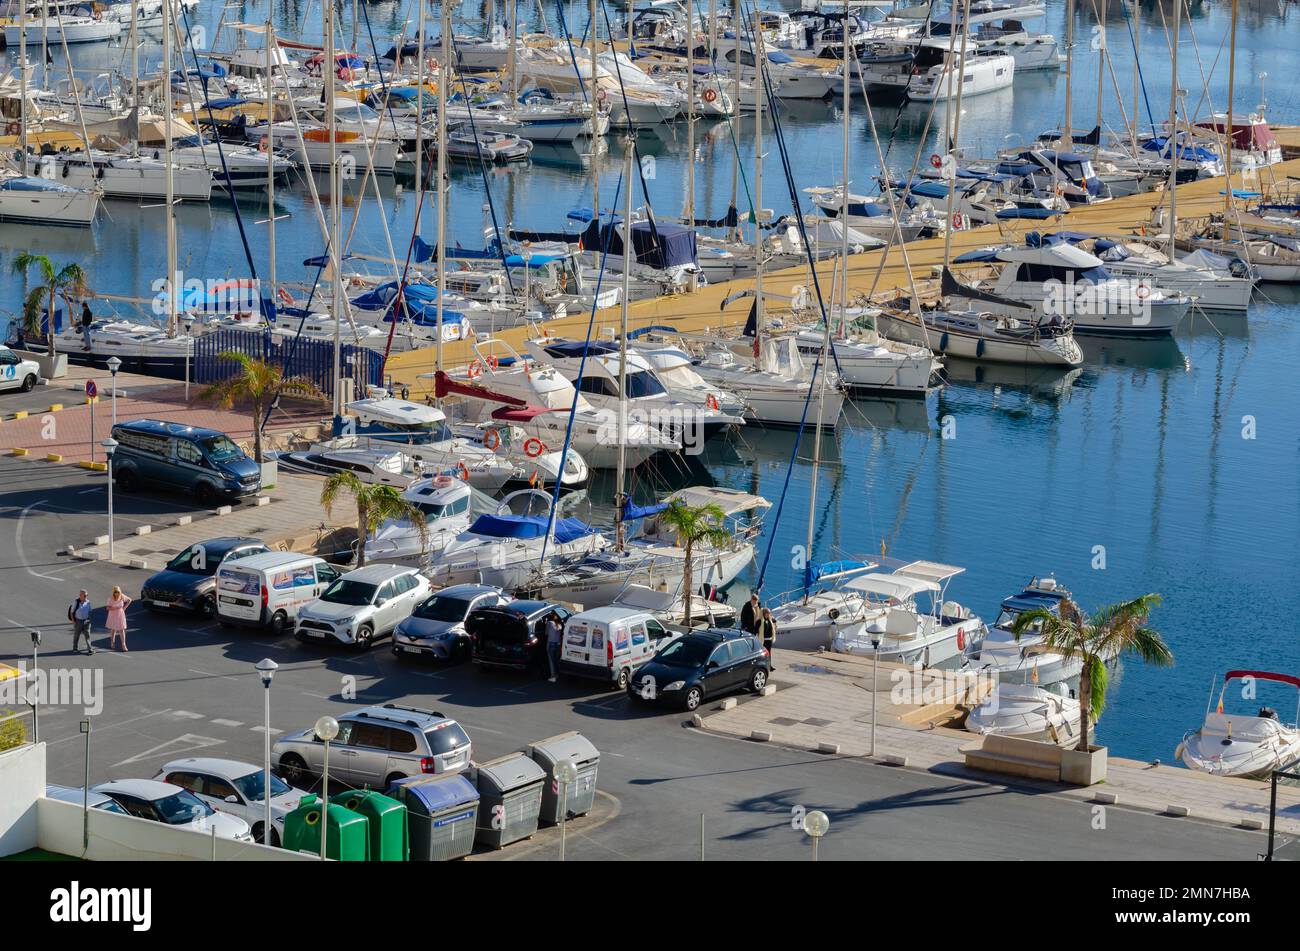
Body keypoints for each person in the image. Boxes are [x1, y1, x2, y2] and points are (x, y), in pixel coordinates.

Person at [68, 589, 94, 655]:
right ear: (80, 595)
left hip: (86, 621)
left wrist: (89, 620)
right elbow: (71, 612)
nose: (86, 596)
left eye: (86, 595)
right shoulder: (76, 602)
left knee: (87, 635)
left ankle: (90, 649)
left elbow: (90, 611)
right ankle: (75, 648)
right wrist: (74, 622)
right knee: (76, 635)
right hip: (78, 621)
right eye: (84, 595)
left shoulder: (88, 602)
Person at [106, 586, 132, 652]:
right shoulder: (110, 598)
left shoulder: (122, 596)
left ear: (120, 592)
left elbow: (129, 600)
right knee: (113, 629)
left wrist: (124, 608)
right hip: (113, 615)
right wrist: (114, 608)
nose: (116, 593)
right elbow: (107, 608)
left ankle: (123, 645)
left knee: (122, 629)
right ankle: (112, 642)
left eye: (118, 592)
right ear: (113, 592)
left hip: (120, 615)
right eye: (115, 592)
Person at [545, 611, 564, 683]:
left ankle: (553, 675)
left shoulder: (549, 623)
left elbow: (546, 633)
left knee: (551, 661)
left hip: (551, 643)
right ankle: (558, 674)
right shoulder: (559, 625)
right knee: (556, 660)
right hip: (558, 644)